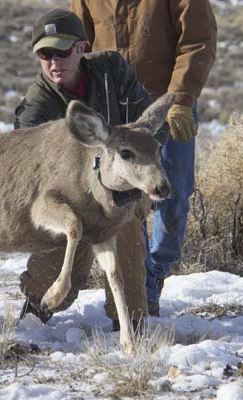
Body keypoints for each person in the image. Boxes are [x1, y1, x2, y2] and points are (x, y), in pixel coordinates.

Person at [71, 0, 217, 316]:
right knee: (122, 199)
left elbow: (198, 40)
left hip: (167, 105)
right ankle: (139, 287)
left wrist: (181, 99)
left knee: (172, 197)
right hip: (115, 111)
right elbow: (78, 46)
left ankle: (155, 273)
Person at [15, 9, 152, 330]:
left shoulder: (112, 70)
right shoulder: (35, 107)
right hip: (66, 198)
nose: (53, 61)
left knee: (126, 226)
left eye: (61, 52)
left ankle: (131, 321)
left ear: (81, 48)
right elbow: (33, 176)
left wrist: (142, 182)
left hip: (121, 185)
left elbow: (144, 125)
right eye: (44, 53)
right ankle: (37, 303)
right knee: (61, 273)